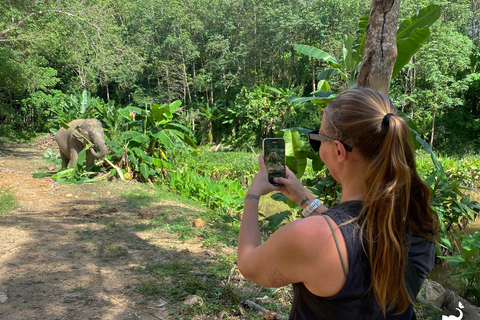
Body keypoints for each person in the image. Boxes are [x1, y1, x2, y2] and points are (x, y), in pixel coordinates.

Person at [237, 88, 438, 319]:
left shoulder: (310, 237)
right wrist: (303, 197)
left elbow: (248, 264)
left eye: (318, 138)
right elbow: (354, 234)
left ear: (338, 150)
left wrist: (252, 196)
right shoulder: (418, 222)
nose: (318, 146)